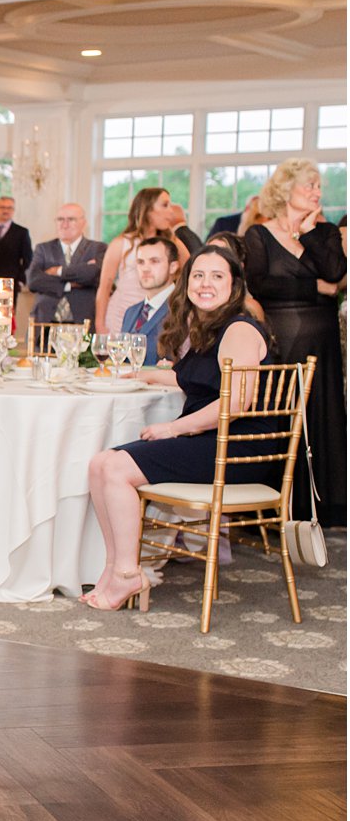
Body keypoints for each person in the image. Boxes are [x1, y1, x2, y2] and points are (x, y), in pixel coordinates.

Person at [85, 246, 278, 610]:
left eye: (217, 276)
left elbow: (237, 402)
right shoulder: (210, 327)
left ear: (235, 285)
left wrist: (175, 428)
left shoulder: (238, 328)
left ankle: (129, 575)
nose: (205, 284)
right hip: (213, 442)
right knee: (99, 465)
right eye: (198, 276)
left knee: (114, 467)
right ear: (186, 282)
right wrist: (142, 373)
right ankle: (115, 569)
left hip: (237, 448)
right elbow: (190, 377)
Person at [244, 158, 346, 527]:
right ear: (286, 189)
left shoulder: (326, 233)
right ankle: (274, 503)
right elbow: (258, 285)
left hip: (322, 339)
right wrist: (313, 286)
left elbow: (335, 276)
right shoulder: (259, 235)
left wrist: (308, 236)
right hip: (281, 337)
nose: (317, 192)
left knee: (321, 415)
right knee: (283, 414)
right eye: (310, 185)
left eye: (319, 186)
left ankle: (323, 508)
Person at [94, 187, 188, 335]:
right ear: (147, 209)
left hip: (158, 316)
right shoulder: (121, 243)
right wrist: (99, 325)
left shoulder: (173, 242)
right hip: (120, 314)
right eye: (165, 205)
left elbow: (190, 273)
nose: (171, 211)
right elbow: (105, 286)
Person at [26, 203, 105, 325]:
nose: (65, 224)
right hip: (45, 324)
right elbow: (33, 280)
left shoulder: (98, 248)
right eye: (60, 219)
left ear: (83, 222)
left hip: (82, 323)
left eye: (71, 219)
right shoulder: (43, 249)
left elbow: (92, 275)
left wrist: (58, 271)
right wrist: (69, 284)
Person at [117, 236, 178, 366]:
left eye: (154, 261)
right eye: (140, 262)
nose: (145, 269)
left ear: (173, 267)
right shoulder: (131, 312)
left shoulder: (184, 309)